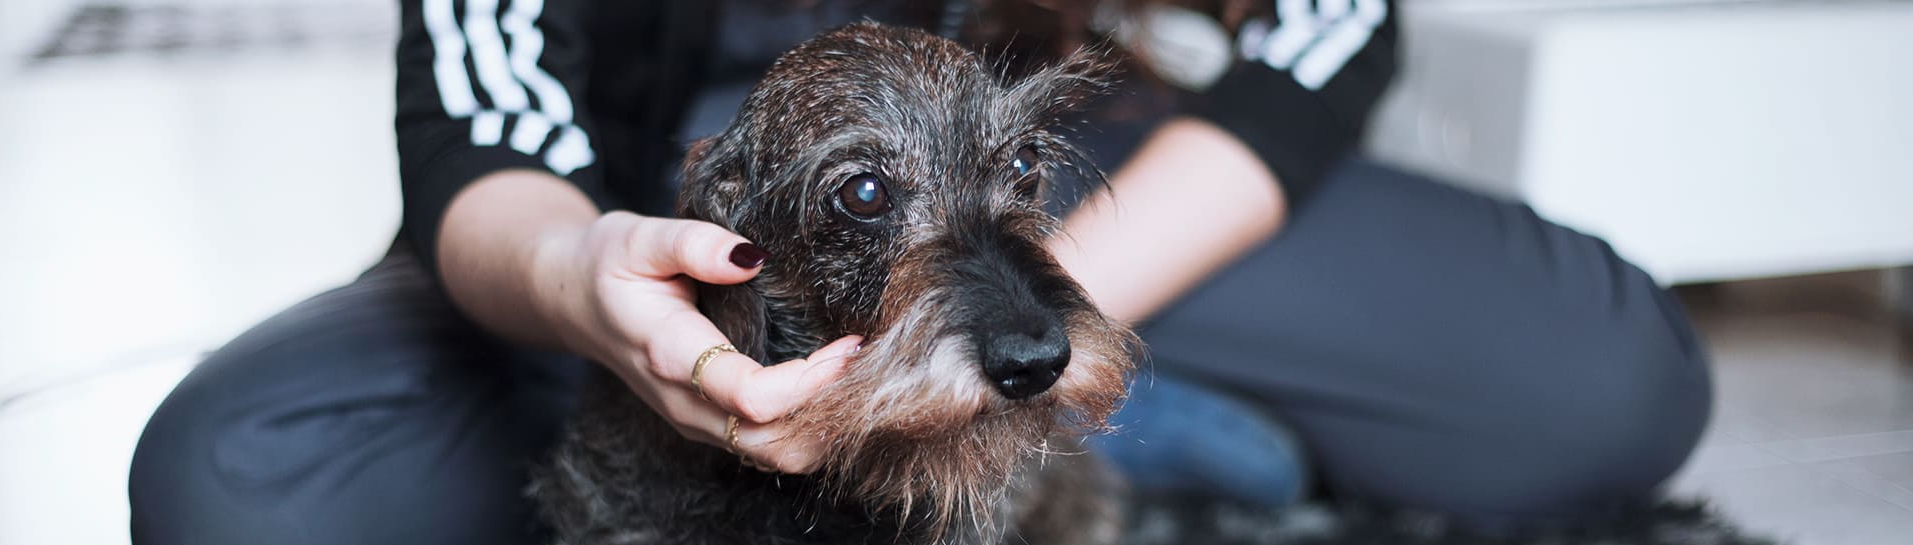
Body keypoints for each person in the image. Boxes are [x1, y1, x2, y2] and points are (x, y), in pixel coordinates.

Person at [128, 1, 1712, 544]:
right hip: (623, 208)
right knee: (239, 482)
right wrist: (586, 280)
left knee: (1609, 372)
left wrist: (1048, 282)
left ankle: (1045, 423)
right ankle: (1088, 439)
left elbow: (1330, 21)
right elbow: (475, 109)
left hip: (1063, 179)